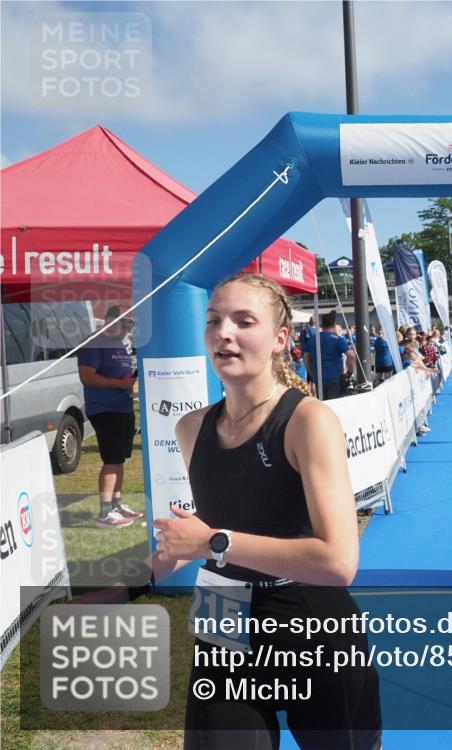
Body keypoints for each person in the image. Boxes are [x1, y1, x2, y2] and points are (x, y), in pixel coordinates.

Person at [155, 273, 381, 748]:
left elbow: (339, 562)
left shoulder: (309, 421)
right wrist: (126, 581)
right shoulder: (190, 427)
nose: (224, 332)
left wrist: (213, 542)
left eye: (244, 321)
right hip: (223, 612)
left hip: (310, 618)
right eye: (214, 320)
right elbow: (209, 527)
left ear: (280, 339)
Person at [77, 306, 142, 528]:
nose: (127, 329)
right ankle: (105, 513)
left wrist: (127, 383)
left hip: (122, 407)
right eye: (125, 324)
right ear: (111, 321)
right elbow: (86, 376)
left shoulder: (118, 344)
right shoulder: (95, 342)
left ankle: (116, 504)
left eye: (130, 325)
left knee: (120, 459)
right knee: (112, 460)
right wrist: (118, 384)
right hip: (105, 409)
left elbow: (120, 376)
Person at [304, 311, 356, 399]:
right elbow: (351, 356)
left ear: (322, 324)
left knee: (323, 404)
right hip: (335, 378)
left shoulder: (312, 339)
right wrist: (349, 372)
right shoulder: (338, 339)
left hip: (319, 378)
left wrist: (312, 374)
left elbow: (306, 359)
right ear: (334, 324)